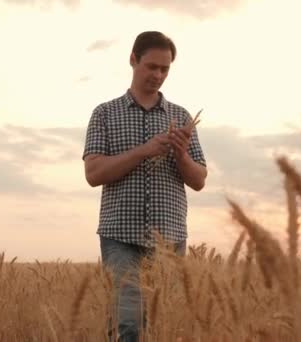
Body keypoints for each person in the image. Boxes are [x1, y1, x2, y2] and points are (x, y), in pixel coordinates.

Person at [82, 31, 208, 342]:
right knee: (128, 324)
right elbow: (93, 173)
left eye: (165, 69)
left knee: (164, 324)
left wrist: (180, 154)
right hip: (120, 236)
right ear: (133, 59)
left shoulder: (181, 117)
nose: (158, 75)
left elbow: (199, 180)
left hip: (169, 238)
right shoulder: (104, 113)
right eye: (152, 66)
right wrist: (144, 150)